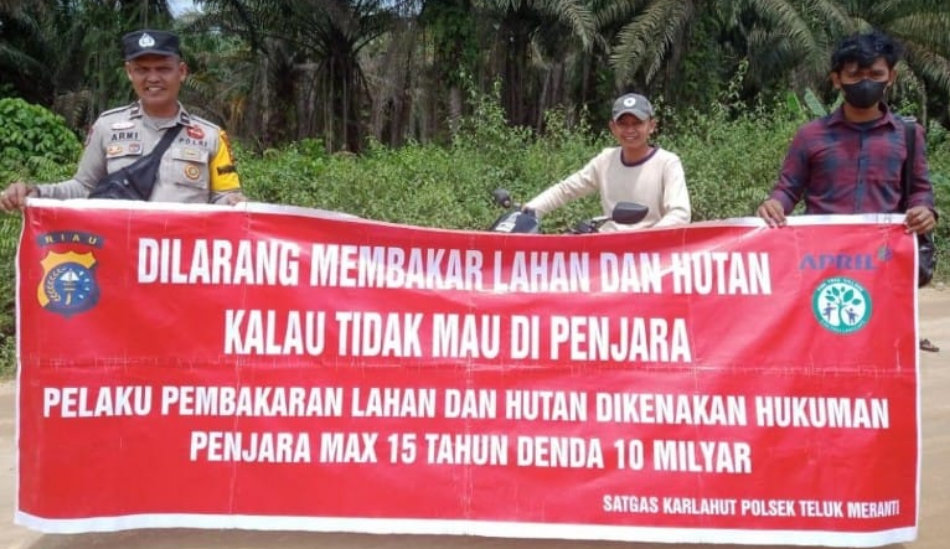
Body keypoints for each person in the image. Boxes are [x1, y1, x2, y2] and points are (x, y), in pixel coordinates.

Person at [756, 30, 939, 352]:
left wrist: (925, 211)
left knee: (883, 351)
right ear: (837, 79)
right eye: (855, 74)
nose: (865, 81)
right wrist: (773, 204)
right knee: (822, 345)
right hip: (821, 263)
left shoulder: (909, 135)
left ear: (890, 77)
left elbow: (921, 191)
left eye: (875, 74)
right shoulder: (810, 136)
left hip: (884, 264)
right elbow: (788, 188)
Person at [0, 29, 245, 210]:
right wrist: (36, 192)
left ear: (181, 72)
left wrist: (237, 202)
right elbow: (84, 188)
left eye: (163, 69)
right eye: (142, 70)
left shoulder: (212, 136)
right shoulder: (107, 127)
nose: (153, 78)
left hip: (182, 266)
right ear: (129, 72)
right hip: (120, 260)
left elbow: (224, 199)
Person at [523, 92, 690, 232]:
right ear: (613, 127)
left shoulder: (668, 163)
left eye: (637, 123)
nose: (630, 130)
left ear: (652, 126)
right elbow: (567, 189)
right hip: (608, 252)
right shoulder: (605, 160)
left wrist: (646, 239)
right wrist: (532, 209)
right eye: (623, 124)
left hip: (652, 255)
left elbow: (680, 214)